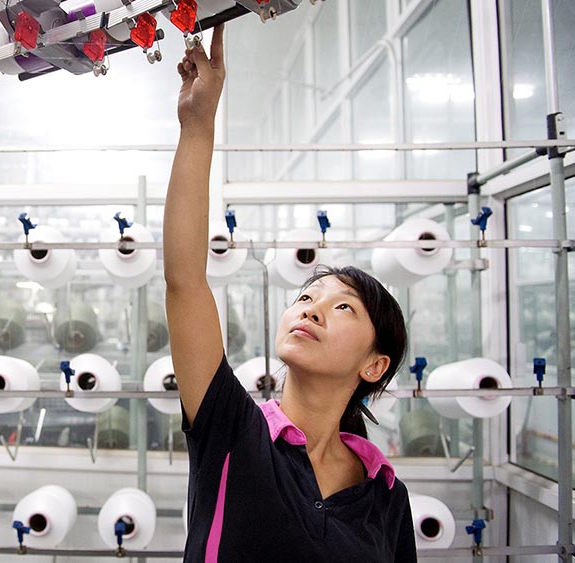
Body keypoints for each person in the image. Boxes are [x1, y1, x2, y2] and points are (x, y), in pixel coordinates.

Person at [164, 24, 417, 562]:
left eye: (341, 306)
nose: (312, 308)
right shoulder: (234, 432)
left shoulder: (387, 495)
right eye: (307, 298)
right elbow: (185, 281)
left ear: (375, 365)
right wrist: (197, 125)